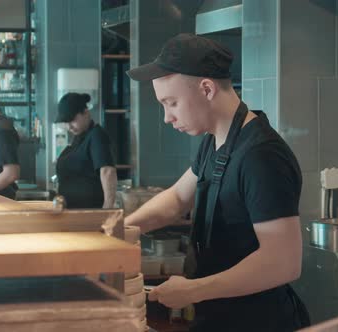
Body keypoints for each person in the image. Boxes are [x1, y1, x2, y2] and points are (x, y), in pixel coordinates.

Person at [125, 33, 310, 331]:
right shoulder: (215, 142)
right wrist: (121, 231)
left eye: (171, 103)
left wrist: (194, 290)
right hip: (220, 317)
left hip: (258, 322)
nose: (166, 117)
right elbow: (176, 199)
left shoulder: (261, 156)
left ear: (207, 89)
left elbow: (283, 261)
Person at [54, 93, 117, 209]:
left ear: (86, 112)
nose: (69, 127)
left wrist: (107, 209)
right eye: (66, 122)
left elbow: (107, 171)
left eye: (72, 120)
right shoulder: (78, 139)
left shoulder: (96, 135)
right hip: (71, 211)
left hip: (89, 212)